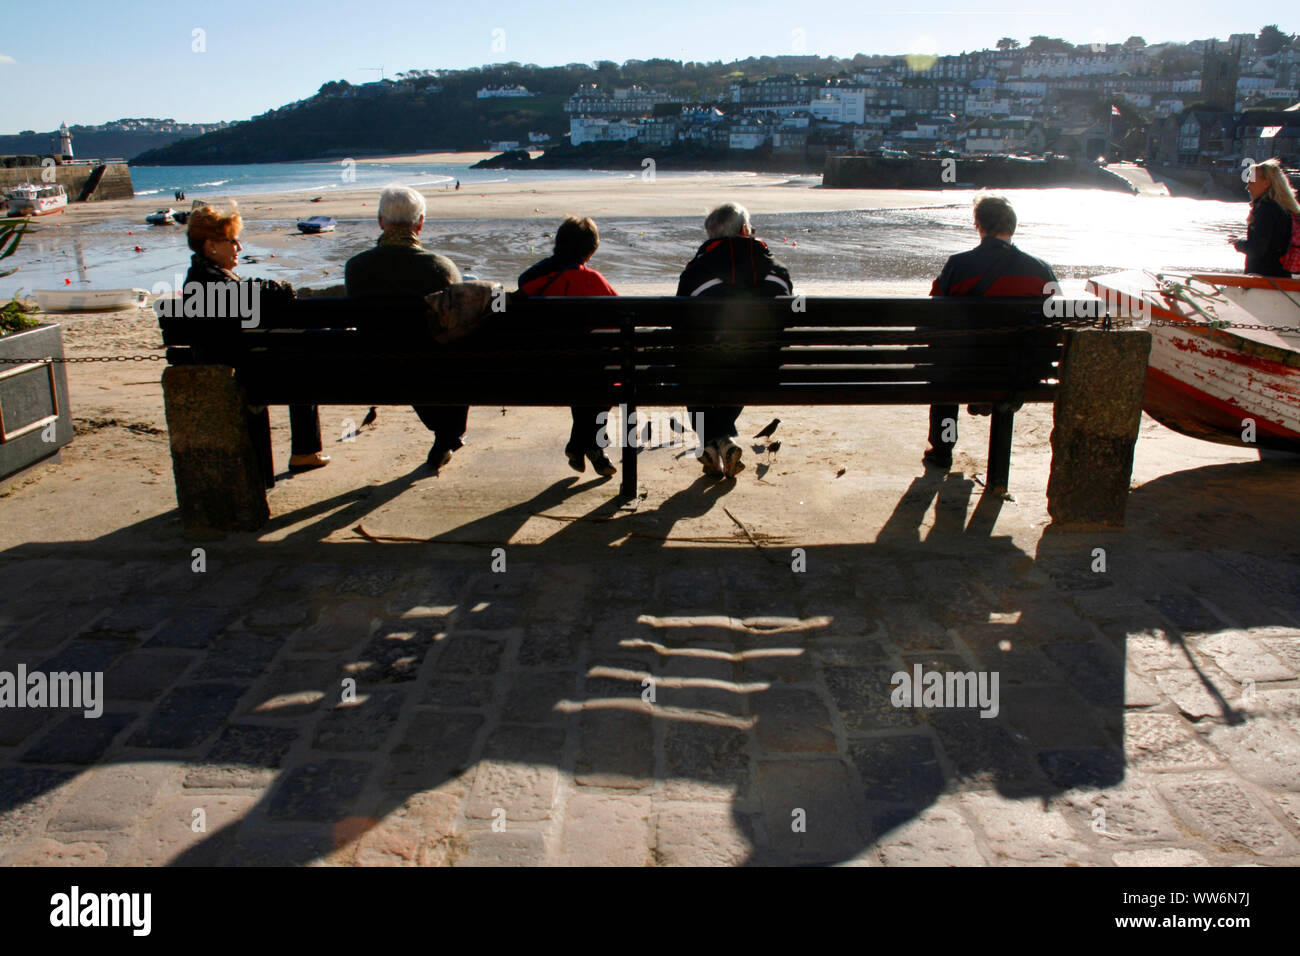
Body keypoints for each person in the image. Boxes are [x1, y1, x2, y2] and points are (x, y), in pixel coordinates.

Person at [183, 202, 329, 476]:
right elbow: (265, 296)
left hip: (228, 366)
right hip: (248, 374)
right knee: (301, 367)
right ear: (211, 245)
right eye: (232, 241)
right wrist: (280, 287)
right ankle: (305, 451)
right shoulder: (215, 283)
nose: (238, 248)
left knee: (295, 357)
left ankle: (304, 453)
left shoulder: (198, 279)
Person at [924, 191, 1058, 470]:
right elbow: (1056, 319)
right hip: (1019, 371)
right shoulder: (1040, 270)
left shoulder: (959, 265)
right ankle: (997, 470)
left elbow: (934, 313)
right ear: (1012, 227)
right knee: (1011, 355)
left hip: (964, 370)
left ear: (979, 225)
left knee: (946, 373)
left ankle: (942, 449)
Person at [345, 184, 467, 475]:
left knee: (407, 354)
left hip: (374, 369)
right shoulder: (441, 268)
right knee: (457, 350)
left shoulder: (356, 268)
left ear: (380, 222)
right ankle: (449, 435)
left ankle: (446, 436)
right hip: (431, 368)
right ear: (420, 223)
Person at [676, 202, 792, 478]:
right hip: (762, 372)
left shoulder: (696, 272)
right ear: (745, 230)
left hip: (707, 371)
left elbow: (679, 326)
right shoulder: (778, 272)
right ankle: (724, 440)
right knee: (744, 357)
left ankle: (712, 442)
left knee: (696, 363)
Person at [517, 216, 619, 476]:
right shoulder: (591, 280)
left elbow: (501, 303)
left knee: (582, 369)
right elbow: (619, 316)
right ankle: (584, 445)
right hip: (584, 374)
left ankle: (584, 446)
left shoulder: (531, 279)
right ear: (592, 249)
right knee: (602, 374)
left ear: (558, 244)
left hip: (537, 374)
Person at [1230, 158, 1297, 277]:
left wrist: (1238, 243)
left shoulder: (1267, 210)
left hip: (1264, 278)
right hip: (1280, 276)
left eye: (1251, 182)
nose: (1247, 187)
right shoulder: (1284, 208)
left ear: (1266, 183)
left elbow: (1257, 249)